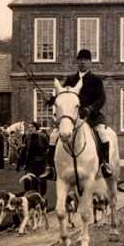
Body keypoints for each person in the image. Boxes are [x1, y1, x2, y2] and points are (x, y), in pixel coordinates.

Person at [41, 48, 113, 180]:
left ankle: (104, 163)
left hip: (92, 116)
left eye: (85, 60)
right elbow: (62, 95)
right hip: (72, 118)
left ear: (90, 62)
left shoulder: (96, 80)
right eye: (80, 60)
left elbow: (101, 99)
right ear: (77, 62)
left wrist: (90, 109)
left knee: (102, 133)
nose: (83, 63)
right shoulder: (70, 79)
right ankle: (50, 167)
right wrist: (51, 100)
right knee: (53, 136)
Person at [19, 121, 50, 196]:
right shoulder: (27, 137)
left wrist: (47, 164)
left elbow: (47, 150)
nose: (30, 129)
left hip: (40, 164)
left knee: (42, 182)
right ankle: (29, 197)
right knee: (28, 181)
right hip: (30, 163)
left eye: (32, 127)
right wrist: (21, 163)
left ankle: (41, 197)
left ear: (36, 128)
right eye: (29, 127)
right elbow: (24, 150)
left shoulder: (42, 137)